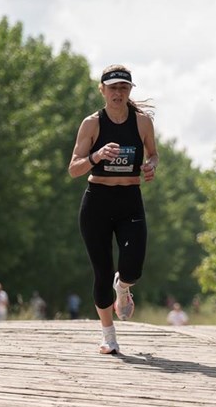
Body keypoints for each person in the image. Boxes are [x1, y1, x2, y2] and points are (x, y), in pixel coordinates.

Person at [68, 64, 158, 354]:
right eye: (113, 87)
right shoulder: (92, 124)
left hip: (130, 198)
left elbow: (154, 154)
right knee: (102, 272)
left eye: (123, 87)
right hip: (97, 201)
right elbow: (73, 169)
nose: (118, 92)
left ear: (130, 90)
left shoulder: (142, 122)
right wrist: (96, 155)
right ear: (102, 90)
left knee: (132, 267)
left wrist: (150, 166)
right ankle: (108, 335)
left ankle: (125, 287)